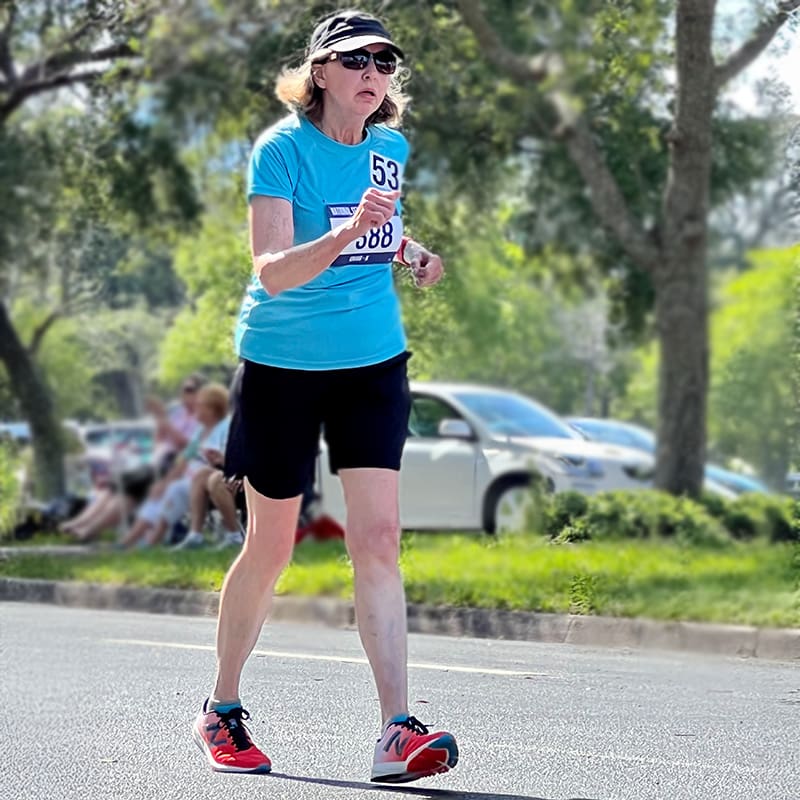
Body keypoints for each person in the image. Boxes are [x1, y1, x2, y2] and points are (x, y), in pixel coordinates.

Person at [191, 10, 458, 784]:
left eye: (384, 62)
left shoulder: (389, 149)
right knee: (271, 545)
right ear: (321, 74)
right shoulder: (282, 151)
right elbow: (272, 269)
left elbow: (376, 227)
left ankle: (396, 731)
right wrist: (349, 237)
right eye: (356, 61)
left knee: (376, 541)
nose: (373, 74)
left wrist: (410, 250)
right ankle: (223, 709)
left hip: (373, 359)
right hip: (283, 363)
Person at [119, 383, 230, 549]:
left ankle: (152, 540)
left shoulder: (225, 428)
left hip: (211, 480)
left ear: (213, 409)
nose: (195, 409)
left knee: (175, 489)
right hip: (192, 479)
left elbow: (227, 460)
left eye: (200, 405)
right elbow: (184, 460)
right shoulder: (200, 431)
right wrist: (163, 483)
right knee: (160, 491)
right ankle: (132, 540)